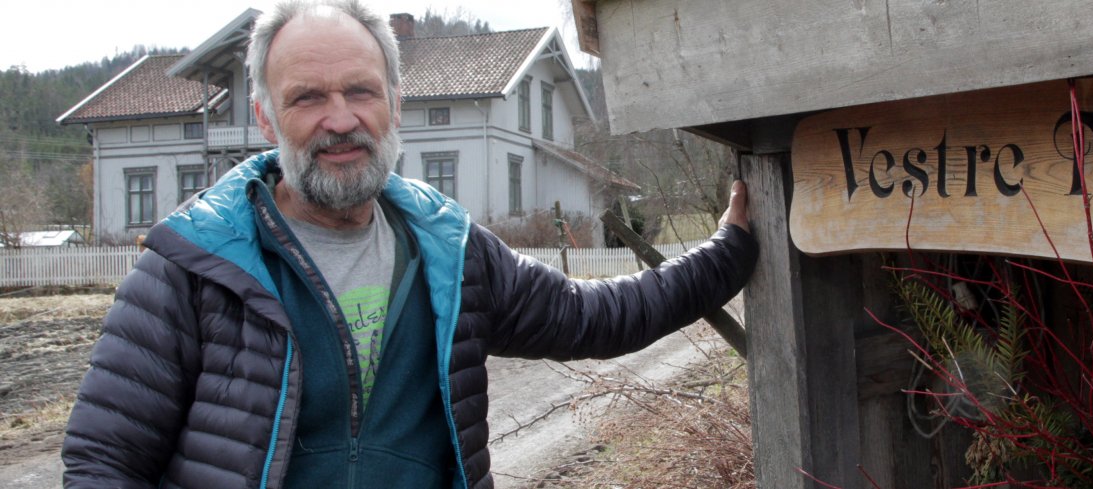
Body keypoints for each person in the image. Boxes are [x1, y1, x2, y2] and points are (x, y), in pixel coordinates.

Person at [58, 1, 757, 488]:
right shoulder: (192, 263)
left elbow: (597, 314)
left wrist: (729, 248)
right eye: (307, 98)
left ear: (395, 102)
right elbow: (101, 459)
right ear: (266, 118)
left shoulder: (450, 251)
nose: (340, 119)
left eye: (360, 91)